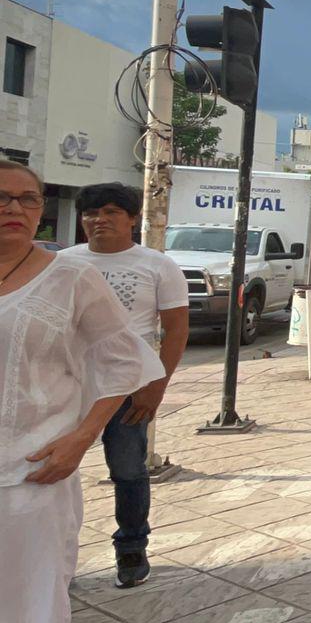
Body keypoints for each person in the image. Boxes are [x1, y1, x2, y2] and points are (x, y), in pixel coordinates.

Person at [0, 160, 165, 623]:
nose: (15, 208)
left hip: (32, 471)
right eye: (3, 197)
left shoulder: (71, 276)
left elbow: (124, 360)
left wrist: (82, 437)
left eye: (29, 199)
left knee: (29, 611)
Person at [61, 183, 189, 588]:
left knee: (128, 470)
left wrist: (156, 385)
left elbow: (176, 329)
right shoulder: (63, 263)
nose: (99, 220)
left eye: (112, 212)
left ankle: (131, 549)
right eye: (91, 213)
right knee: (55, 471)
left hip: (129, 386)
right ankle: (56, 555)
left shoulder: (157, 265)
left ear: (133, 218)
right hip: (67, 385)